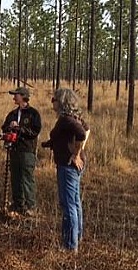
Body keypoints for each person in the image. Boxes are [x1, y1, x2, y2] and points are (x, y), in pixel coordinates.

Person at [41, 88, 90, 252]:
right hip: (74, 165)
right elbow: (87, 129)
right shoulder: (74, 118)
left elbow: (82, 133)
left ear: (61, 101)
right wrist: (50, 143)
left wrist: (75, 154)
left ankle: (70, 246)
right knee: (75, 203)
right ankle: (77, 237)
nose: (52, 102)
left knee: (68, 204)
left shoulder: (66, 120)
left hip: (68, 166)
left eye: (53, 99)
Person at [1, 87, 42, 217]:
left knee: (27, 179)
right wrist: (9, 128)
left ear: (23, 96)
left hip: (26, 150)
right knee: (15, 178)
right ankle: (18, 204)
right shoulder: (12, 114)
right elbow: (4, 127)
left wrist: (20, 129)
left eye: (16, 95)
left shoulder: (33, 114)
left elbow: (35, 131)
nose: (14, 97)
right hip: (14, 150)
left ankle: (31, 206)